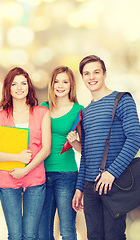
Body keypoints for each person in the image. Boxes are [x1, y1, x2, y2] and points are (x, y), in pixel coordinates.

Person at [72, 55, 140, 239]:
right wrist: (80, 188)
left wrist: (112, 173)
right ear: (82, 77)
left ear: (104, 74)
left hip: (115, 183)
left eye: (96, 72)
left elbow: (135, 139)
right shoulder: (85, 112)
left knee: (114, 236)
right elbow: (86, 154)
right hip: (90, 186)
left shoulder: (122, 100)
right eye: (86, 73)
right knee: (93, 236)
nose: (91, 77)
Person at [0, 67, 51, 240]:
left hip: (35, 179)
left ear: (29, 86)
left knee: (30, 235)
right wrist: (16, 158)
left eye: (23, 83)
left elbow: (46, 149)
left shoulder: (42, 113)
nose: (19, 88)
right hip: (8, 180)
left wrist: (25, 169)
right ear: (8, 88)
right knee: (14, 235)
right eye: (14, 84)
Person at [39, 66, 83, 240]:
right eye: (57, 81)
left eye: (65, 81)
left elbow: (83, 149)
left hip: (67, 174)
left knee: (67, 230)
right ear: (51, 84)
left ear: (71, 85)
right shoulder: (43, 108)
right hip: (42, 173)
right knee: (43, 231)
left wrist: (74, 141)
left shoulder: (78, 110)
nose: (60, 85)